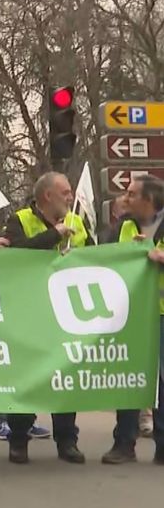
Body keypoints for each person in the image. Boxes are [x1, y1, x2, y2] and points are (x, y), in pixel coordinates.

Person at [0, 172, 86, 464]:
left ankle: (67, 440)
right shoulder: (19, 221)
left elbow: (97, 256)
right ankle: (19, 439)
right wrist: (54, 234)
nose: (70, 197)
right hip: (27, 311)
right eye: (64, 192)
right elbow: (15, 254)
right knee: (25, 376)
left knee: (64, 376)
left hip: (65, 313)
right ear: (47, 197)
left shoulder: (78, 221)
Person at [103, 174, 164, 466]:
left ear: (149, 200)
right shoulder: (122, 227)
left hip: (161, 314)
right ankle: (123, 443)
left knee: (162, 382)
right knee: (127, 377)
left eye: (131, 194)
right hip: (128, 315)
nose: (124, 199)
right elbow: (102, 258)